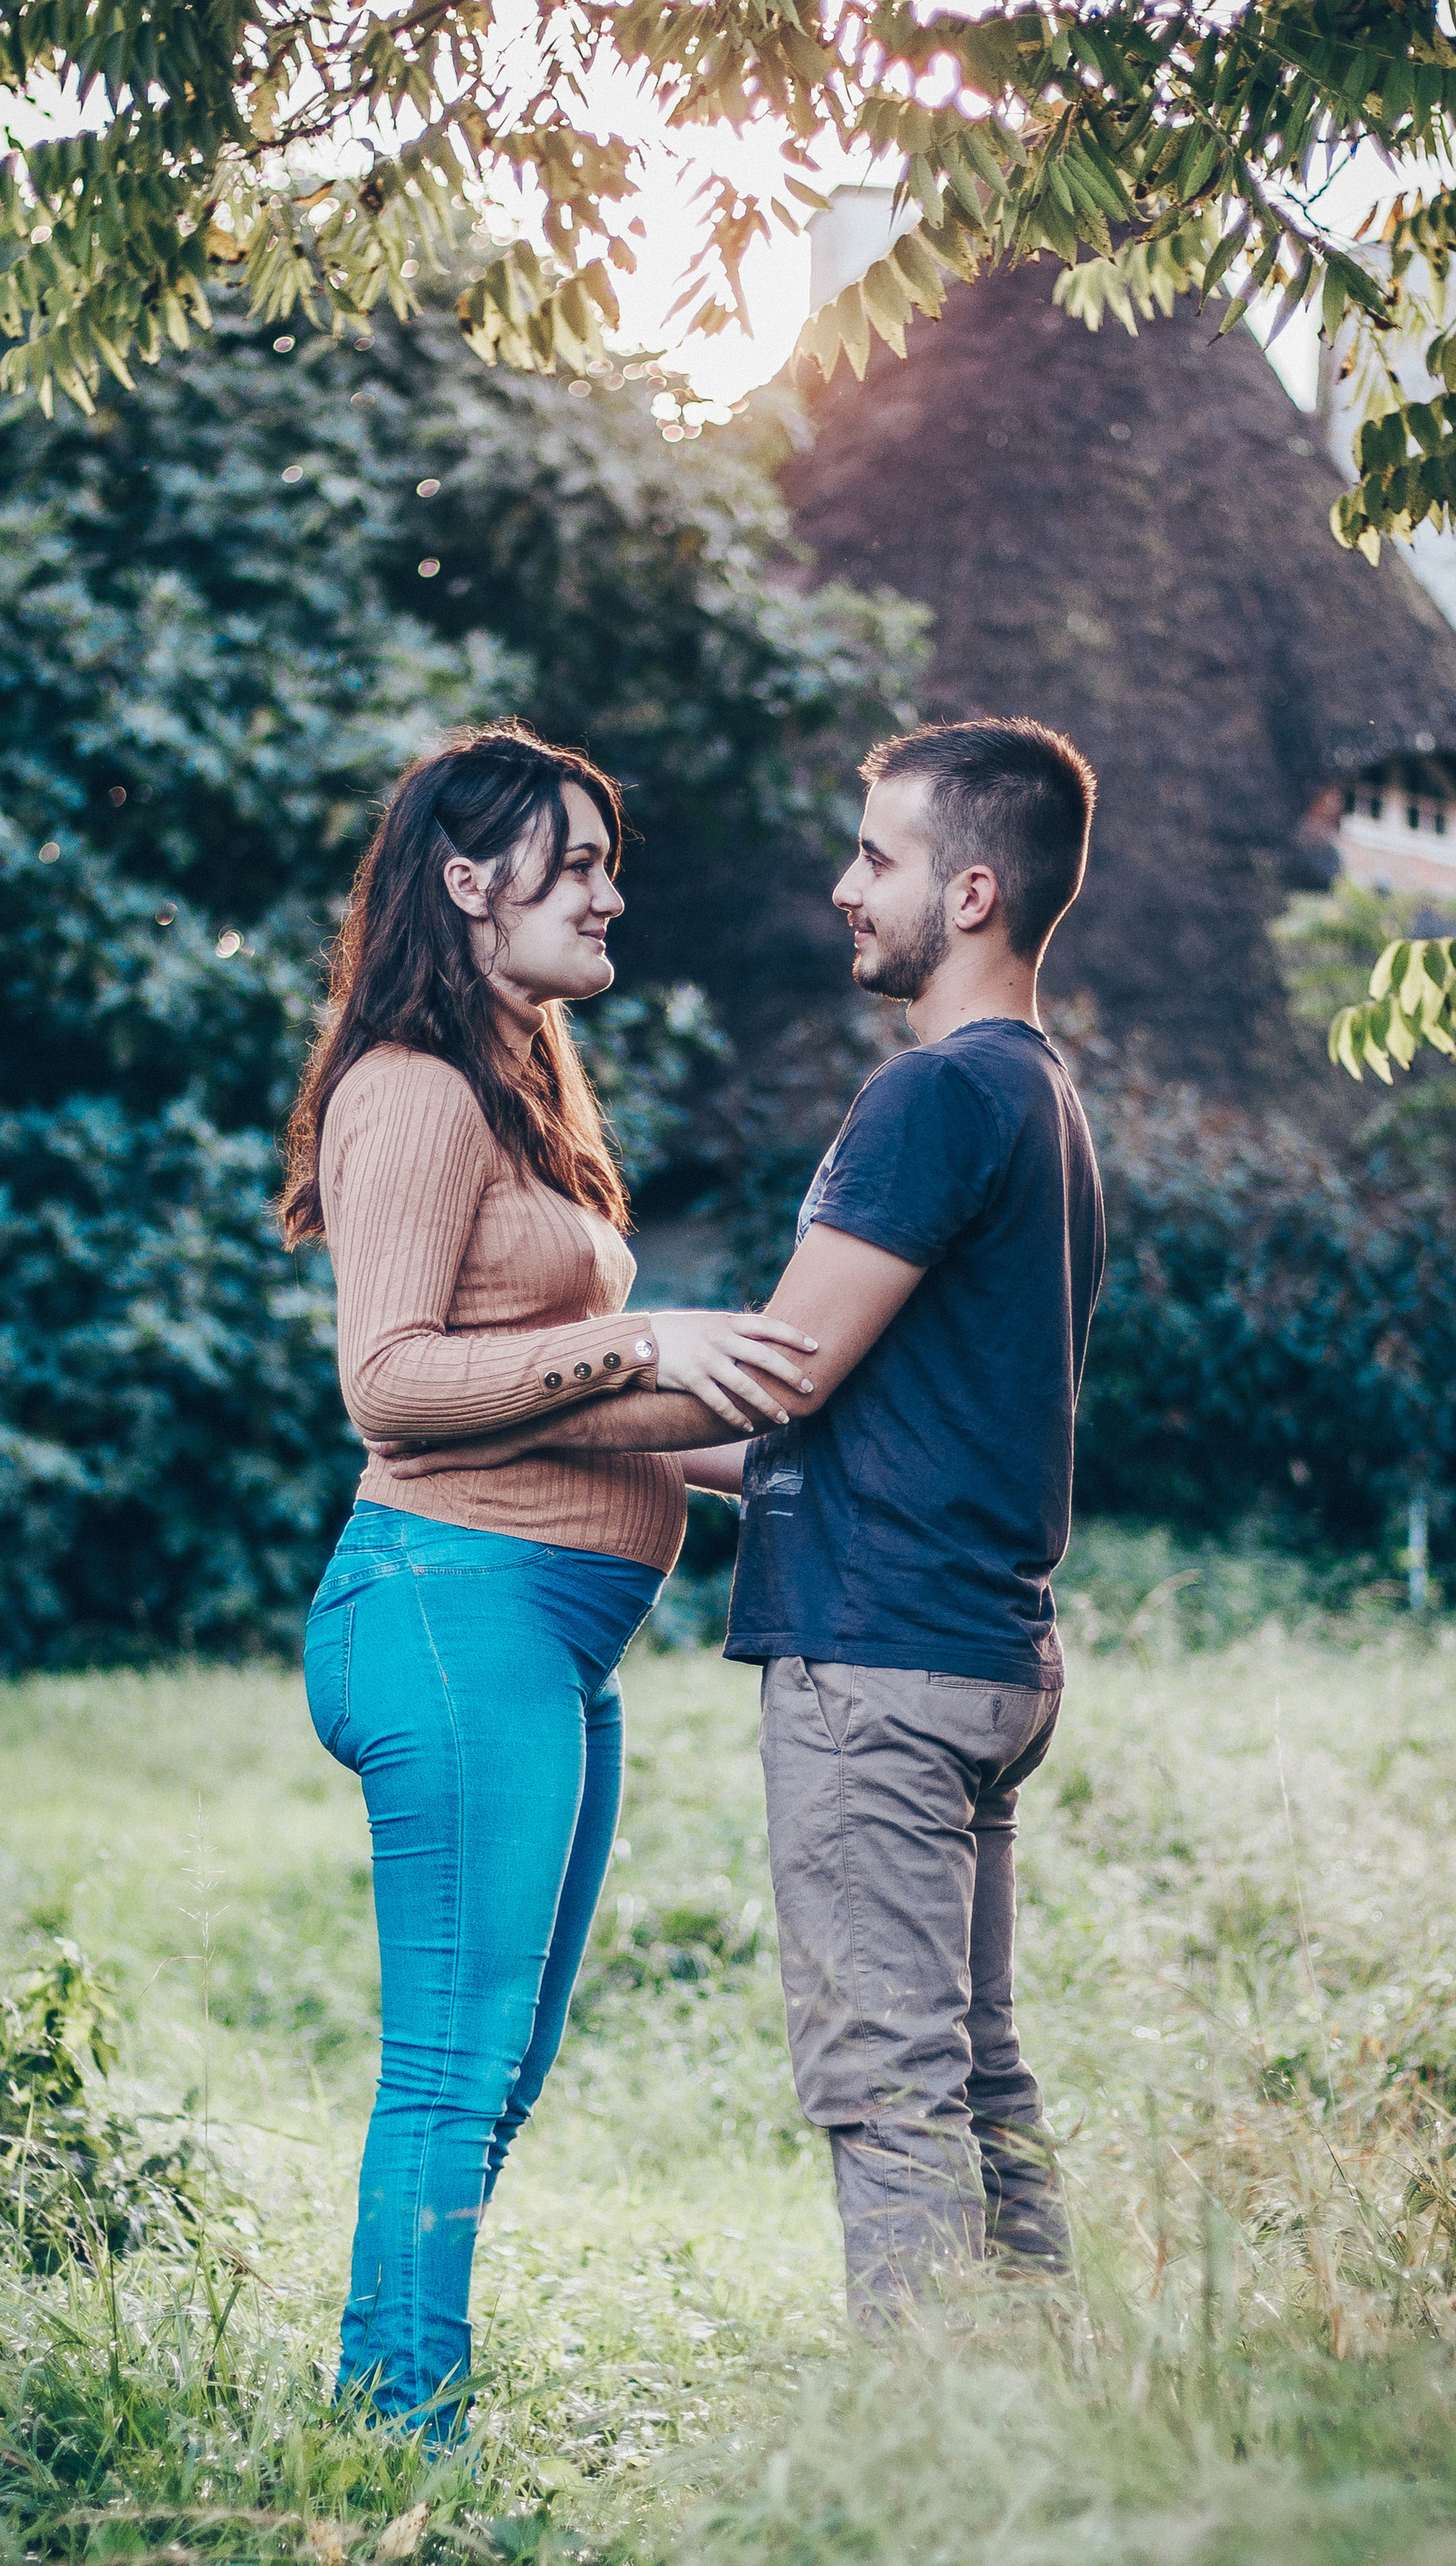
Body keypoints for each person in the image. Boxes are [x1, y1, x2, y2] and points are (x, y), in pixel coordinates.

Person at [383, 717, 1106, 2325]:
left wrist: (492, 1390)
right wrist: (617, 1448)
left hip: (879, 1671)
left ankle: (933, 2463)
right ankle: (1053, 2418)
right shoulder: (1040, 1100)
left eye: (875, 857)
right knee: (975, 2079)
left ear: (970, 890)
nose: (842, 888)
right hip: (984, 1653)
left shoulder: (929, 1097)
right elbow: (845, 1433)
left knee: (885, 2092)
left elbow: (771, 1384)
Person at [280, 723, 818, 2436]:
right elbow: (392, 1385)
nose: (609, 891)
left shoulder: (520, 1092)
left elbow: (572, 1412)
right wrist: (642, 1336)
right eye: (571, 863)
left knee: (499, 2073)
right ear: (464, 881)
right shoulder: (411, 1092)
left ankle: (400, 2395)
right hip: (447, 1613)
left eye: (605, 861)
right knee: (450, 2067)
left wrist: (801, 1469)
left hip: (545, 1634)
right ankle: (389, 2441)